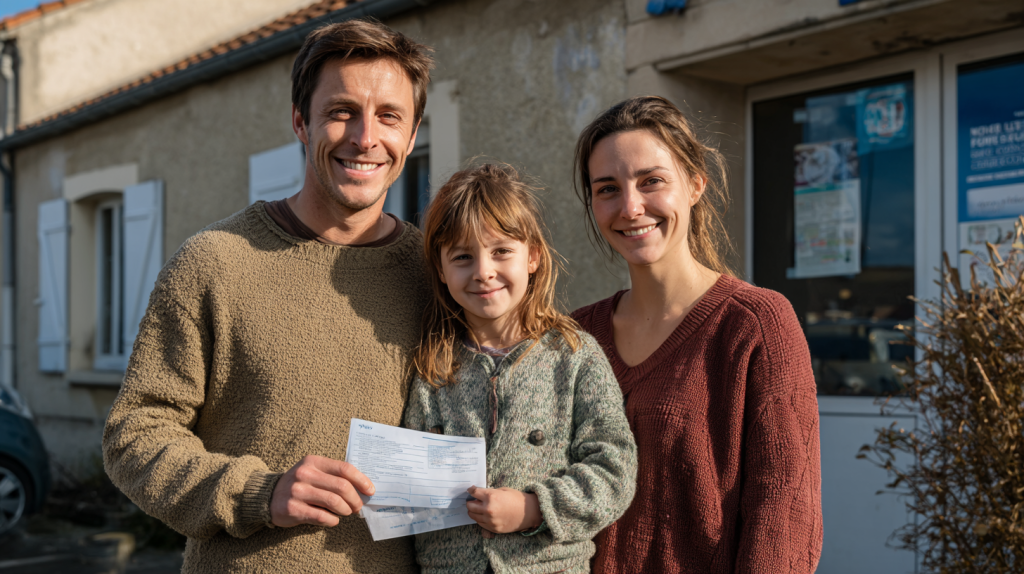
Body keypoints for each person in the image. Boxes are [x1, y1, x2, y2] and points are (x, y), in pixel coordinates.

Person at [102, 20, 434, 573]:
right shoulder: (215, 261)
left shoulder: (438, 274)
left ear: (413, 135)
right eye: (341, 111)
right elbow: (133, 436)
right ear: (302, 123)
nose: (365, 137)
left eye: (389, 117)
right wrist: (260, 492)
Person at [570, 96, 823, 573]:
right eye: (607, 188)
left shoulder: (756, 324)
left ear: (694, 184)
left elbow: (784, 514)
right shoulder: (576, 335)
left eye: (652, 181)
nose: (630, 206)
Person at [403, 164, 638, 574]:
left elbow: (614, 469)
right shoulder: (432, 367)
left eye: (500, 251)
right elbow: (409, 485)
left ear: (532, 256)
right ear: (441, 270)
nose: (483, 271)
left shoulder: (575, 356)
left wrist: (532, 509)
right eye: (462, 256)